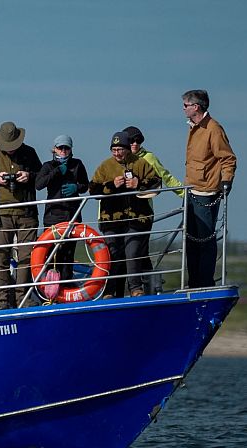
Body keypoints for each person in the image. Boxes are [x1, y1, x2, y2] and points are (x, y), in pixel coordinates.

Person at [0, 121, 42, 310]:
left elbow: (41, 176)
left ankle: (24, 299)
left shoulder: (29, 153)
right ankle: (2, 302)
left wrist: (28, 176)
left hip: (26, 213)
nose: (10, 149)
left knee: (26, 257)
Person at [89, 131, 161, 298]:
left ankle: (136, 289)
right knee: (112, 253)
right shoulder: (105, 166)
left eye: (120, 149)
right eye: (113, 150)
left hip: (137, 218)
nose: (117, 154)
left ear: (128, 149)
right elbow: (93, 189)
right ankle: (109, 291)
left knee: (133, 252)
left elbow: (157, 182)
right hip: (111, 220)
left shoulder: (141, 163)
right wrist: (111, 185)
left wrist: (139, 183)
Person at [182, 89, 237, 288]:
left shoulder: (213, 128)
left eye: (186, 105)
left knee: (205, 239)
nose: (183, 109)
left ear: (196, 107)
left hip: (206, 192)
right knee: (190, 240)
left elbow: (228, 157)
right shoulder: (194, 127)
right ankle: (194, 281)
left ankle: (204, 282)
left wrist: (226, 180)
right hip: (191, 189)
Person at [123, 125, 183, 293]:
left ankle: (138, 289)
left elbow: (166, 177)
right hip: (122, 215)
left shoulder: (149, 158)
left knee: (136, 250)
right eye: (131, 140)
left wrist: (185, 195)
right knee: (139, 252)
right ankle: (150, 288)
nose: (135, 144)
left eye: (138, 140)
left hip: (142, 213)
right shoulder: (119, 159)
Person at [35, 134, 89, 287]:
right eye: (60, 148)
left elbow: (85, 185)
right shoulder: (48, 166)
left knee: (68, 255)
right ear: (54, 149)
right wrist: (57, 171)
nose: (63, 151)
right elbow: (39, 184)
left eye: (66, 148)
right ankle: (52, 290)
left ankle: (67, 287)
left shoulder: (77, 164)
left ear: (71, 149)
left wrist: (76, 187)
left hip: (72, 214)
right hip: (53, 216)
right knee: (53, 256)